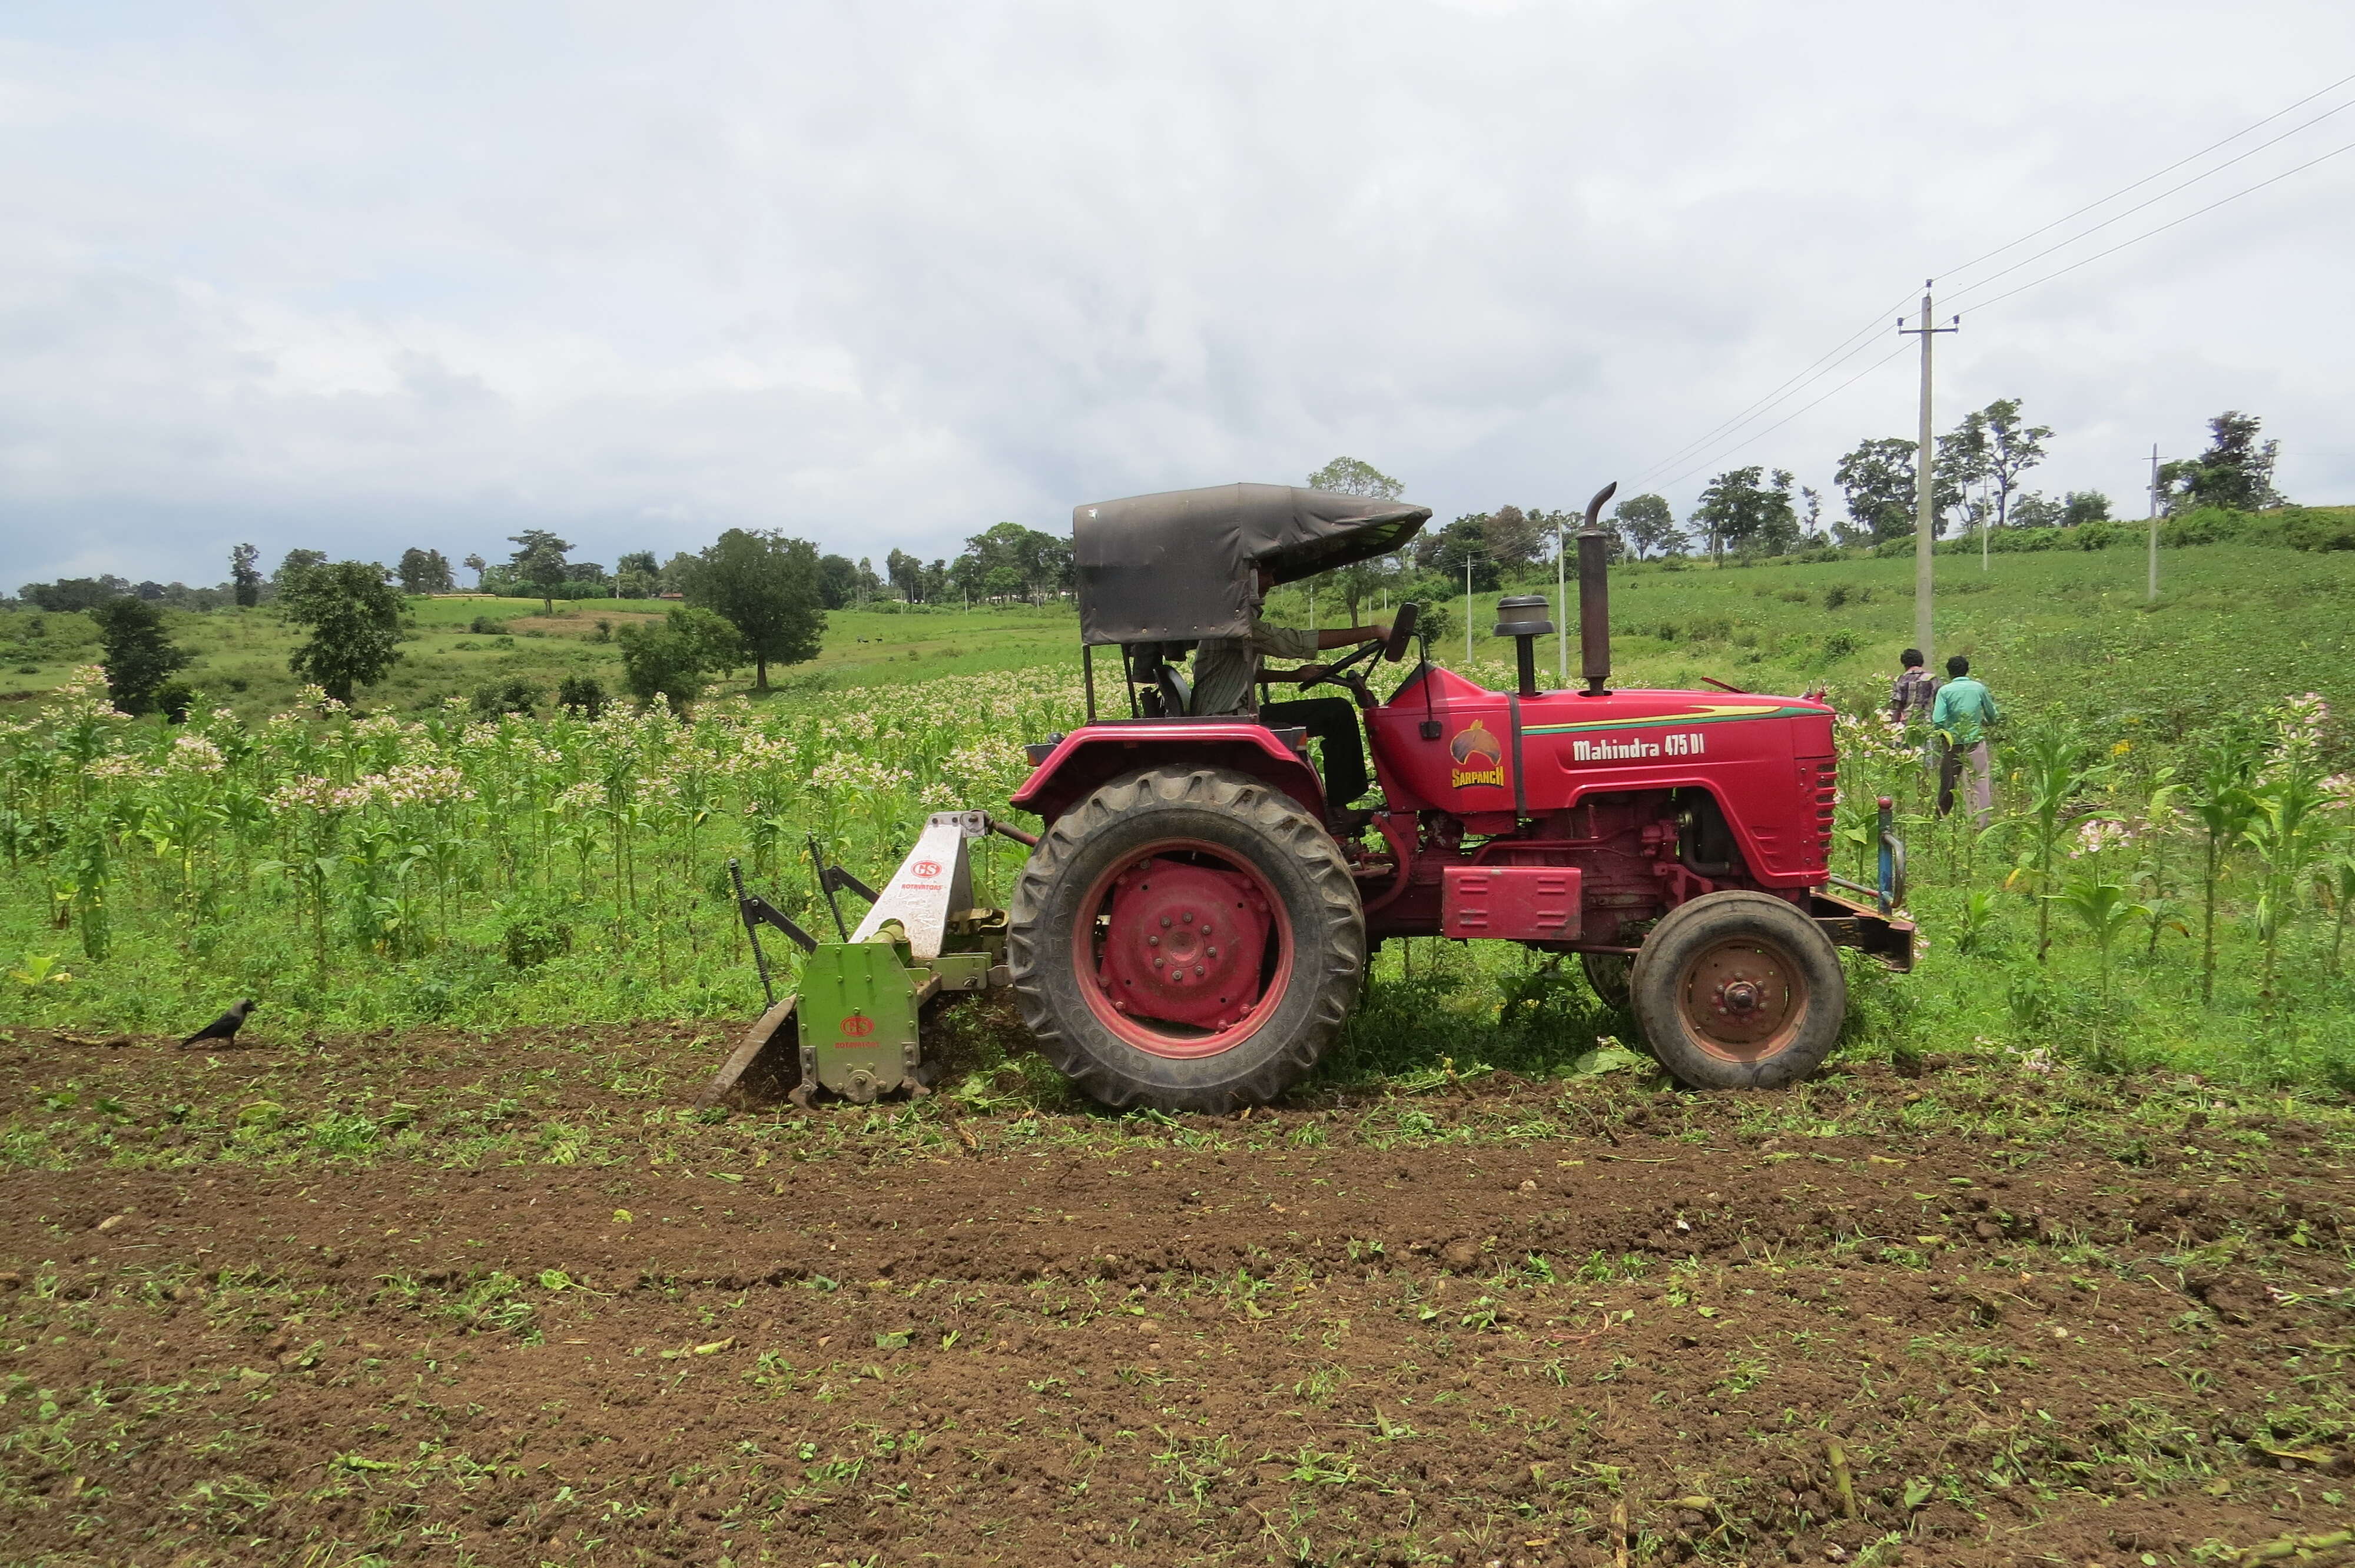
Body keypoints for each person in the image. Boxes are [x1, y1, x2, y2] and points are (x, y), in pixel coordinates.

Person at [1189, 564, 1387, 808]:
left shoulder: (1230, 620)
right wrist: (1374, 631)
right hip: (1228, 718)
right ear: (1245, 577)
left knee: (1334, 711)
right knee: (1338, 713)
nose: (1273, 582)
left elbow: (1246, 674)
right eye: (1266, 574)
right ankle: (1340, 808)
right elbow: (1295, 643)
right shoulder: (1233, 623)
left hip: (1231, 712)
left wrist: (1294, 676)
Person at [1931, 653, 2000, 828]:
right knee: (1979, 782)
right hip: (1975, 742)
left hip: (1952, 744)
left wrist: (1945, 733)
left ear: (1949, 673)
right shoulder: (1979, 688)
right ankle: (1979, 824)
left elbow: (1938, 720)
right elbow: (1992, 715)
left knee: (1948, 783)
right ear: (1967, 670)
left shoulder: (1945, 691)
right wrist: (1984, 722)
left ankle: (1939, 820)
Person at [1888, 648, 1935, 727]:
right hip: (1927, 725)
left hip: (1905, 725)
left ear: (1904, 663)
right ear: (1922, 661)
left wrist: (1893, 726)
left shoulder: (1899, 680)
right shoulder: (1933, 679)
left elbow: (1896, 707)